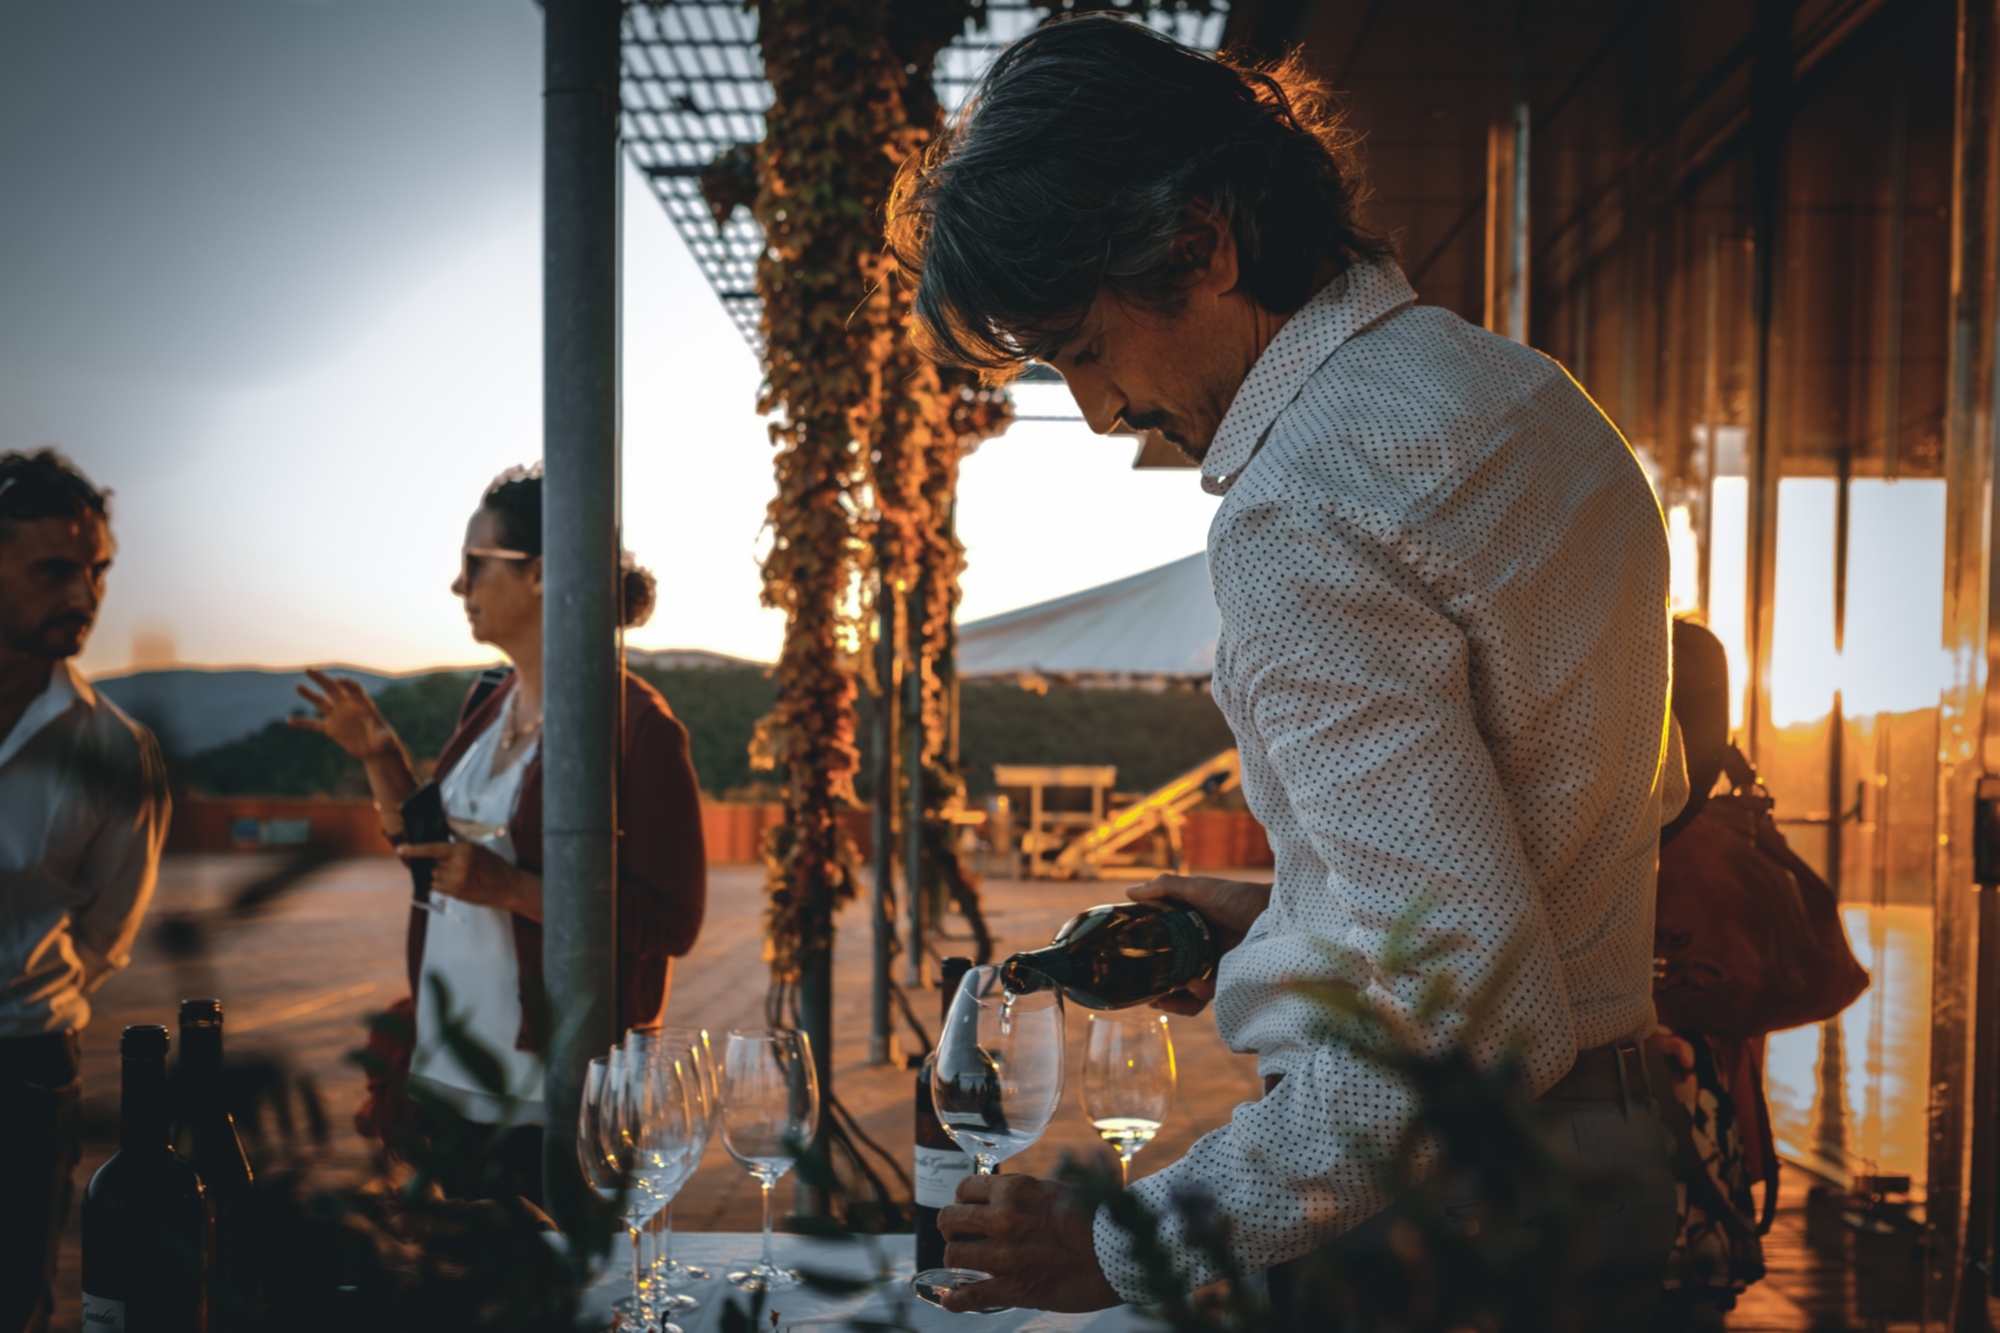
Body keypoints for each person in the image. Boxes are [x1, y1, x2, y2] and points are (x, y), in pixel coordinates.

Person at [888, 16, 1679, 1326]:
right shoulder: (1535, 401)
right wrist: (1282, 913)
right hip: (1608, 1155)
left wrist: (1131, 1244)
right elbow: (1546, 840)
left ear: (1201, 241)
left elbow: (1475, 1024)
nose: (1095, 411)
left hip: (1441, 1218)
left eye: (1082, 346)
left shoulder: (1301, 504)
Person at [291, 464, 706, 1203]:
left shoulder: (639, 728)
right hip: (449, 1064)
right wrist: (380, 753)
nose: (459, 586)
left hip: (547, 1088)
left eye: (474, 564)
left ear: (541, 573)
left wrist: (510, 888)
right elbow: (433, 862)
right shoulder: (488, 698)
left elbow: (674, 921)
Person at [0, 450, 170, 1333]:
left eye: (98, 568)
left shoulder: (115, 753)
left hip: (22, 1075)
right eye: (57, 569)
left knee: (15, 1299)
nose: (87, 592)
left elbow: (107, 929)